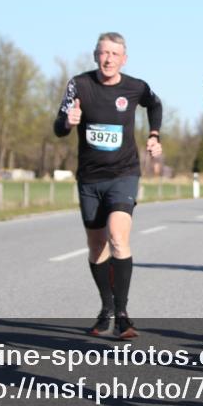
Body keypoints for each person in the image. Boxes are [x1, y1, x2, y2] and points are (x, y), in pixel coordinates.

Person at [54, 32, 163, 340]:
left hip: (124, 174)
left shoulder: (134, 87)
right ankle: (107, 307)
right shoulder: (79, 85)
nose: (108, 59)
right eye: (104, 53)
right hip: (89, 178)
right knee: (96, 245)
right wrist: (68, 121)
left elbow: (155, 105)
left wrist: (154, 135)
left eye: (115, 54)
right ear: (95, 55)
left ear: (123, 58)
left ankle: (124, 314)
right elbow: (58, 128)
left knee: (118, 236)